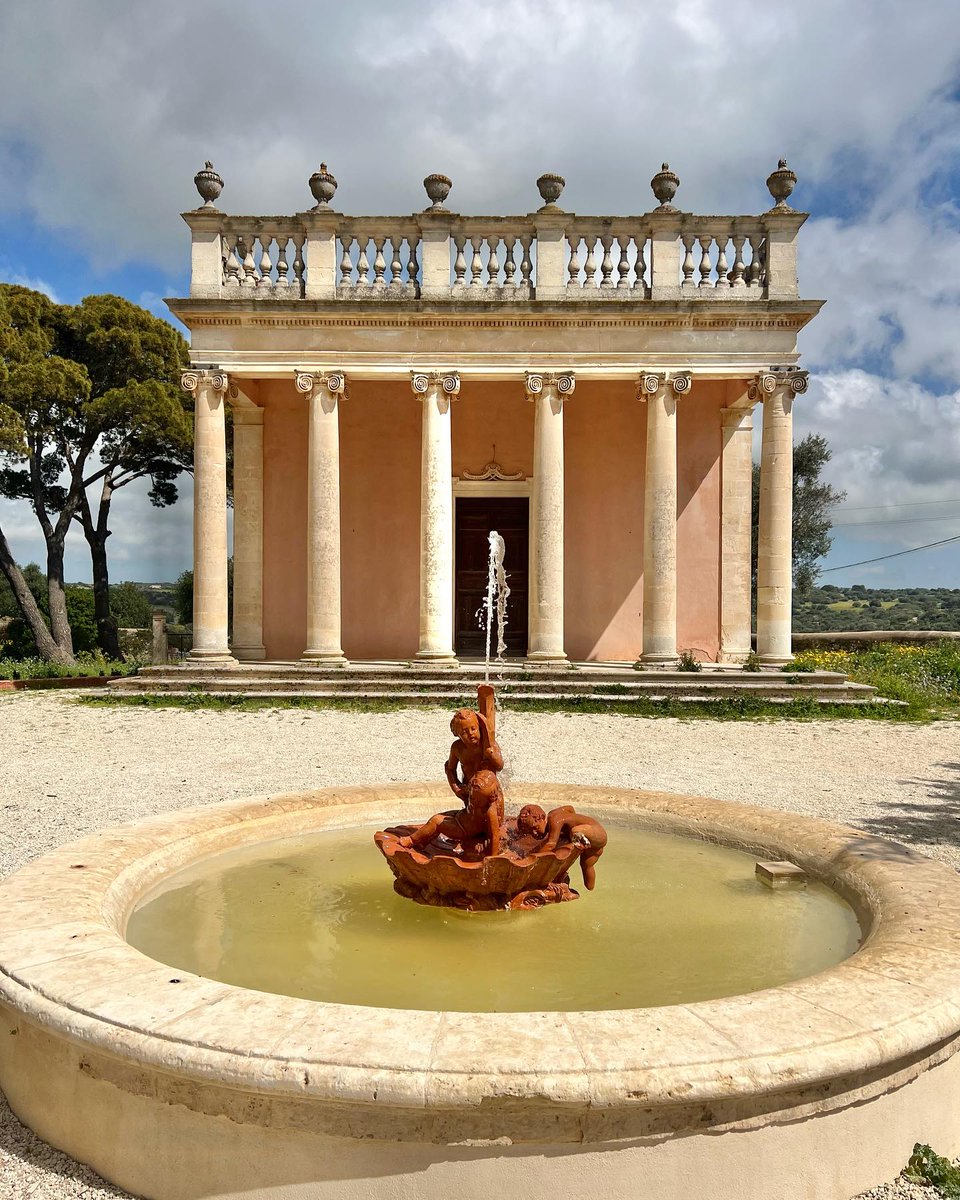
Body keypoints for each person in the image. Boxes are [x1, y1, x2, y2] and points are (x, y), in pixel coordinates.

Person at [399, 768, 504, 856]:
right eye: (471, 796)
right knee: (440, 817)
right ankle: (423, 842)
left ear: (489, 798)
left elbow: (494, 834)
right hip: (460, 816)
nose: (472, 799)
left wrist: (493, 858)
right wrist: (450, 774)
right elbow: (460, 789)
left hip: (463, 829)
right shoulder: (475, 791)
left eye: (477, 799)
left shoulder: (490, 810)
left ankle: (412, 840)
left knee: (436, 821)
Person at [444, 683, 503, 804]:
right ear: (457, 734)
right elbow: (450, 769)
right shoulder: (457, 748)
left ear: (479, 727)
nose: (470, 733)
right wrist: (457, 789)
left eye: (473, 728)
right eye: (464, 731)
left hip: (491, 796)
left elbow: (499, 766)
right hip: (470, 794)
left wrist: (491, 754)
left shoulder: (488, 745)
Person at [536, 805, 608, 890]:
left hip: (595, 832)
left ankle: (581, 839)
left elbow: (551, 844)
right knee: (587, 869)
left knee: (574, 831)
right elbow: (570, 808)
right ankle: (594, 891)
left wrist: (532, 857)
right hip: (597, 841)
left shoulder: (554, 819)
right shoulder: (556, 815)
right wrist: (573, 819)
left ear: (541, 818)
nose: (535, 832)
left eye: (535, 828)